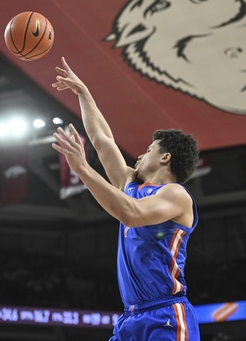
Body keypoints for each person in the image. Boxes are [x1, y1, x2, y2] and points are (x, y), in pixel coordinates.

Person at [51, 57, 201, 341]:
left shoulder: (176, 195)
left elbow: (130, 213)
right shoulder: (131, 184)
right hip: (130, 317)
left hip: (166, 314)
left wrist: (83, 169)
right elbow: (101, 138)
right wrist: (83, 93)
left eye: (148, 149)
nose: (140, 155)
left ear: (165, 157)